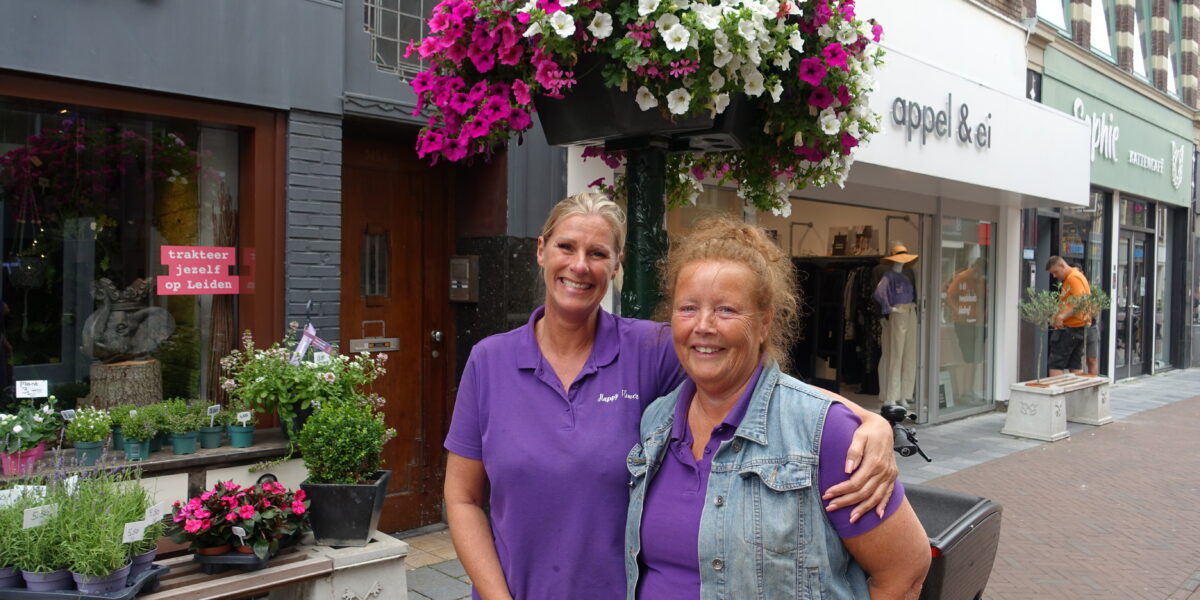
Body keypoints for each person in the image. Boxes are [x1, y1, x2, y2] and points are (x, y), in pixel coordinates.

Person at [443, 193, 901, 600]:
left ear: (617, 265)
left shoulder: (651, 348)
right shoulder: (490, 361)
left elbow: (753, 376)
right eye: (566, 247)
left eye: (598, 253)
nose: (579, 265)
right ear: (541, 251)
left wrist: (866, 421)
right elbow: (462, 498)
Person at [626, 217, 930, 599]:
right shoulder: (657, 422)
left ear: (765, 321)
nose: (703, 325)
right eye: (688, 308)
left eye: (725, 310)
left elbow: (906, 570)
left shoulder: (829, 434)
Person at [873, 244, 919, 407]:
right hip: (898, 313)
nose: (901, 262)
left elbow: (914, 295)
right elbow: (879, 294)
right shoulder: (888, 276)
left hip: (910, 311)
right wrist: (889, 309)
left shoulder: (907, 275)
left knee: (909, 354)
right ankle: (892, 394)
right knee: (896, 354)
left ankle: (905, 394)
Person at [945, 257, 986, 399]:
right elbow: (949, 297)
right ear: (973, 266)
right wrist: (958, 311)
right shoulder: (961, 277)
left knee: (976, 357)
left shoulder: (981, 280)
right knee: (968, 357)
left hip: (978, 322)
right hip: (964, 323)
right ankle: (966, 390)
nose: (979, 274)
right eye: (978, 271)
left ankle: (969, 389)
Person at [1046, 255, 1091, 377]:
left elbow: (1080, 301)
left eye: (1055, 272)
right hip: (1078, 327)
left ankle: (1055, 394)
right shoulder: (1077, 276)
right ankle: (1077, 395)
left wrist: (1061, 317)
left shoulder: (1073, 278)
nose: (1055, 276)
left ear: (1062, 265)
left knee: (1056, 363)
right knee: (1075, 365)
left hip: (1069, 328)